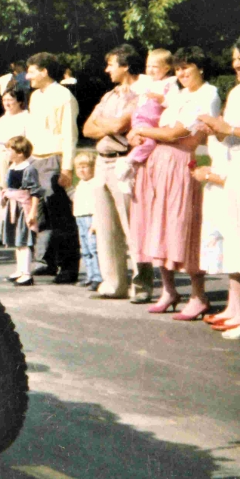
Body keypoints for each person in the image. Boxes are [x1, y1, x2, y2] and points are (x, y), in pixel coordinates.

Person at [128, 46, 220, 319]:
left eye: (186, 67)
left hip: (181, 164)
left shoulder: (208, 94)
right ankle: (169, 290)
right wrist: (140, 135)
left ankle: (198, 296)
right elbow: (159, 126)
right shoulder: (176, 94)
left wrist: (143, 130)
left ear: (200, 68)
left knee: (184, 227)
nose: (181, 73)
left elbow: (179, 133)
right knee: (158, 226)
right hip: (157, 163)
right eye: (178, 68)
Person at [196, 35, 240, 339]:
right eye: (235, 59)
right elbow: (228, 136)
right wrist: (216, 131)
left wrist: (228, 129)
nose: (236, 65)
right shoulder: (235, 93)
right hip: (237, 170)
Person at [81, 44, 154, 302]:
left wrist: (106, 124)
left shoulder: (141, 95)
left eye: (111, 64)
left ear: (125, 66)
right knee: (106, 227)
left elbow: (120, 123)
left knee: (131, 225)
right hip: (102, 162)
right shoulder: (109, 95)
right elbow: (88, 128)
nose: (107, 69)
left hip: (123, 164)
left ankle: (142, 285)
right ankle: (114, 283)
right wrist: (108, 125)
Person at [25, 52, 81, 284]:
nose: (28, 76)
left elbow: (69, 134)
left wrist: (67, 168)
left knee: (60, 216)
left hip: (54, 159)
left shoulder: (64, 96)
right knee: (42, 215)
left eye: (31, 71)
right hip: (36, 159)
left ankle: (68, 267)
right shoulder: (36, 96)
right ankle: (47, 261)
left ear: (44, 71)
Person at [114, 49, 176, 190]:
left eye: (155, 67)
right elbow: (133, 95)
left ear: (166, 68)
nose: (150, 70)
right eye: (148, 66)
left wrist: (161, 99)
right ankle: (126, 162)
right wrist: (125, 92)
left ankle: (127, 177)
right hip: (142, 119)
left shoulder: (169, 84)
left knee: (143, 144)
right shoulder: (146, 82)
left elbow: (173, 103)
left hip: (152, 123)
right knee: (148, 144)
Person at [1, 136, 43, 286]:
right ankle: (19, 269)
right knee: (17, 239)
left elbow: (35, 192)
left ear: (19, 153)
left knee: (25, 239)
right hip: (13, 207)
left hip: (23, 208)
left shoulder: (29, 169)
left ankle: (26, 273)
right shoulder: (12, 167)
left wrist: (32, 212)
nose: (6, 153)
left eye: (9, 150)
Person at [71, 152, 102, 289]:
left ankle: (98, 277)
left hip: (91, 218)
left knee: (94, 248)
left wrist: (96, 221)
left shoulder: (95, 184)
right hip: (80, 217)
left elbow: (98, 204)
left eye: (85, 167)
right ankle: (90, 276)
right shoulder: (80, 184)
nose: (81, 170)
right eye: (79, 167)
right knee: (85, 249)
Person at [0, 88, 28, 190]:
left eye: (10, 100)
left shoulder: (26, 117)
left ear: (19, 101)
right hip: (4, 162)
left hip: (21, 162)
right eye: (4, 100)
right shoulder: (2, 120)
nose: (7, 103)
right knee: (5, 192)